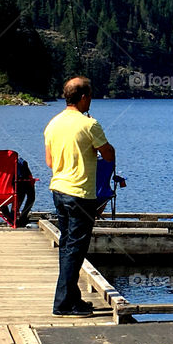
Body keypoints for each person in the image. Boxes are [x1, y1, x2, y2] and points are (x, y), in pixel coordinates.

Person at [44, 76, 116, 317]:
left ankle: (72, 299)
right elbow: (108, 154)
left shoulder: (52, 124)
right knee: (76, 249)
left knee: (67, 246)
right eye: (90, 96)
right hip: (81, 194)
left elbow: (50, 162)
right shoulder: (89, 124)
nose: (91, 101)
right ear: (84, 97)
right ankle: (62, 303)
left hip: (59, 190)